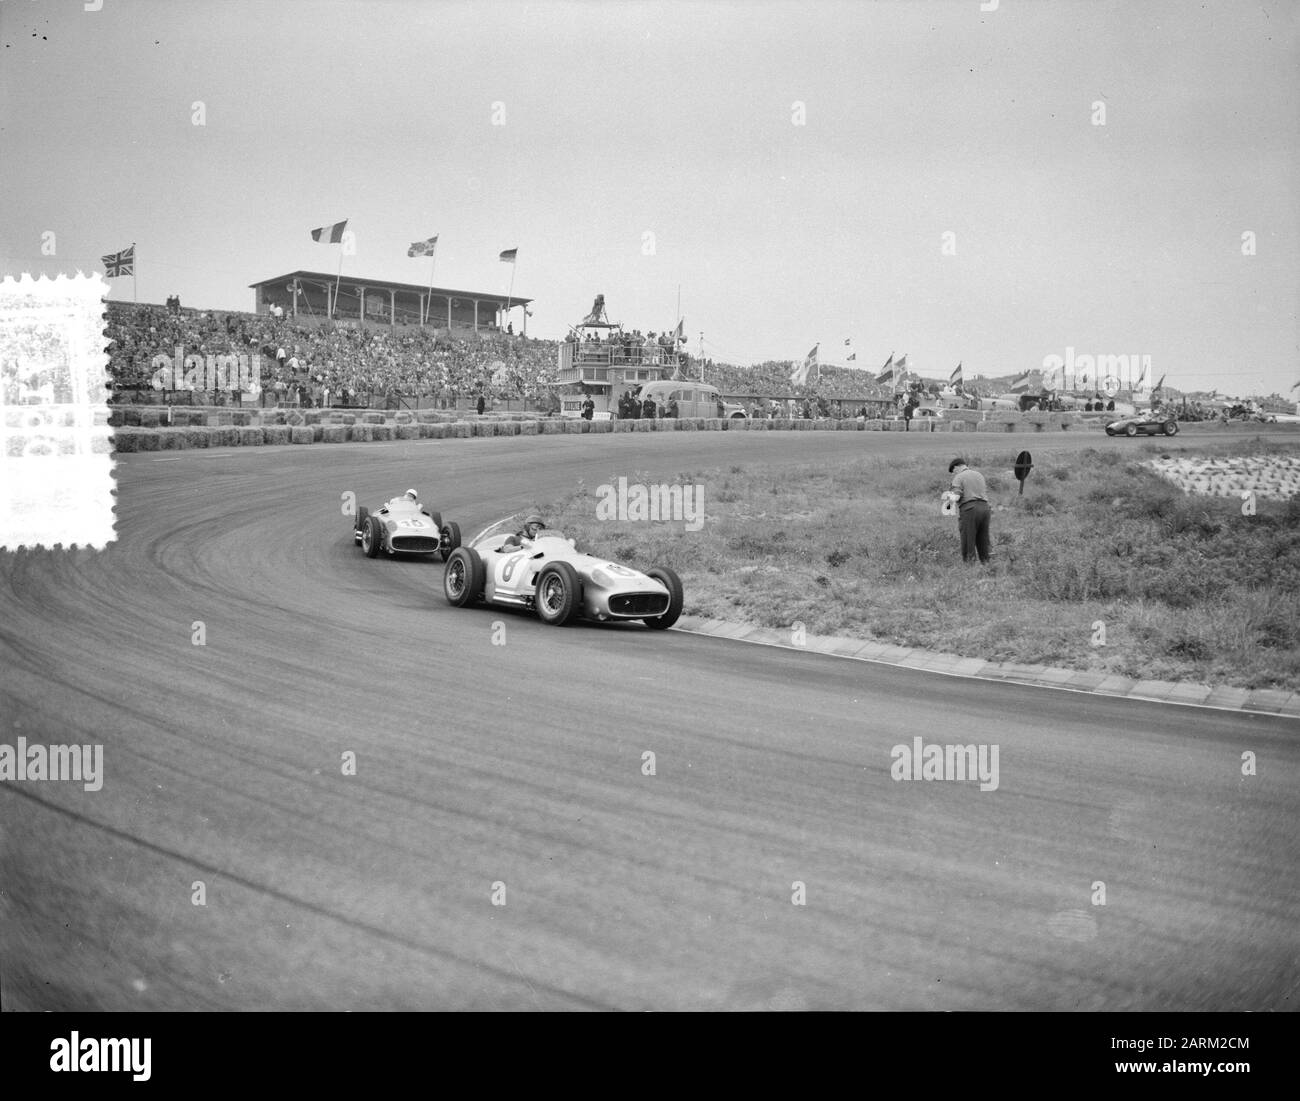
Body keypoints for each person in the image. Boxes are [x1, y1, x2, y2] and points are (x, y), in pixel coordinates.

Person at [948, 458, 991, 565]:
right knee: (983, 540)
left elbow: (956, 496)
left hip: (970, 509)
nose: (954, 473)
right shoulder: (979, 475)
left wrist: (949, 500)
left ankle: (969, 568)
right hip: (985, 509)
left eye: (953, 471)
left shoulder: (959, 477)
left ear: (956, 467)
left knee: (968, 540)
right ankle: (987, 566)